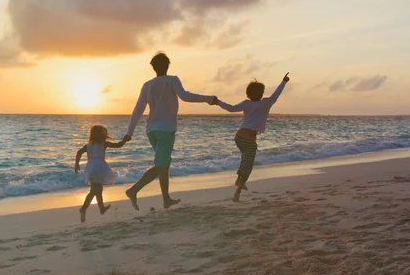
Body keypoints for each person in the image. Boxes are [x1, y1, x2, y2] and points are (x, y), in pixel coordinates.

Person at [124, 52, 217, 210]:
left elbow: (138, 110)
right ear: (167, 65)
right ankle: (133, 190)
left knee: (165, 163)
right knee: (160, 166)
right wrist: (208, 99)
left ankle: (166, 199)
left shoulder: (147, 85)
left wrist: (129, 132)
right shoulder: (172, 80)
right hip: (166, 130)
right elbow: (185, 96)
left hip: (151, 131)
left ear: (153, 67)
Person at [214, 72, 290, 202]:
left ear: (248, 93)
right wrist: (284, 81)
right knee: (248, 166)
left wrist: (218, 102)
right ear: (261, 94)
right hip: (249, 140)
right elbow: (277, 94)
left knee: (245, 161)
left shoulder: (246, 103)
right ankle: (238, 189)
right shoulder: (266, 103)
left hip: (238, 137)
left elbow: (231, 108)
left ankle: (239, 182)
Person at [75, 124, 130, 222]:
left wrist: (76, 164)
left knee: (97, 189)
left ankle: (101, 208)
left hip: (91, 167)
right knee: (94, 190)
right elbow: (118, 145)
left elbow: (79, 153)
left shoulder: (88, 146)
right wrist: (125, 139)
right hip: (100, 167)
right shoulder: (104, 144)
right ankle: (83, 209)